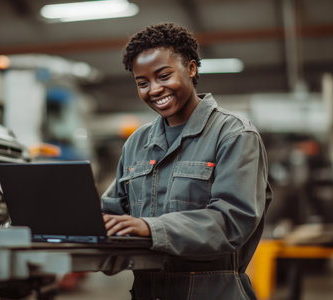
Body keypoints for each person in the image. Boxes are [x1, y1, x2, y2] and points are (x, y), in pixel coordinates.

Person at [102, 22, 272, 299]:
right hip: (148, 291)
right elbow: (112, 212)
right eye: (142, 83)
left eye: (163, 76)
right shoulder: (137, 142)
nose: (154, 90)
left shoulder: (234, 134)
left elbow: (232, 221)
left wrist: (149, 227)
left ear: (191, 69)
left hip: (214, 291)